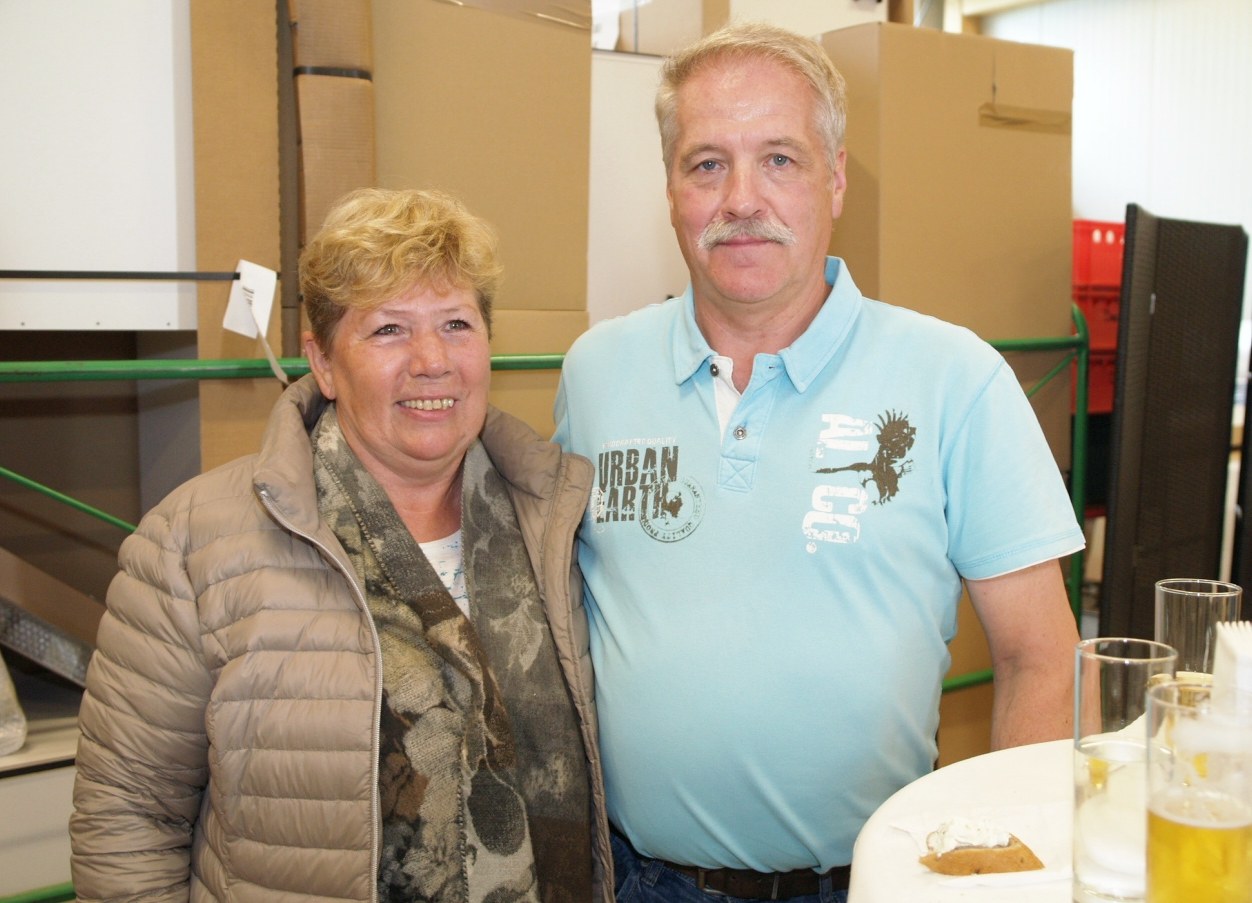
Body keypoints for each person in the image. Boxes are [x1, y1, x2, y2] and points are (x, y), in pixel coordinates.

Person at [553, 21, 1084, 903]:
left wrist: (1005, 874)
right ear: (671, 187)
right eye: (707, 164)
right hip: (635, 879)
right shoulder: (596, 373)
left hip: (866, 882)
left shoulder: (955, 379)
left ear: (835, 178)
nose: (741, 199)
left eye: (780, 160)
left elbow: (1042, 657)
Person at [70, 188, 613, 903]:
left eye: (456, 323)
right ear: (322, 362)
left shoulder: (560, 519)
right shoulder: (192, 544)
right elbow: (128, 815)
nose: (432, 360)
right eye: (389, 330)